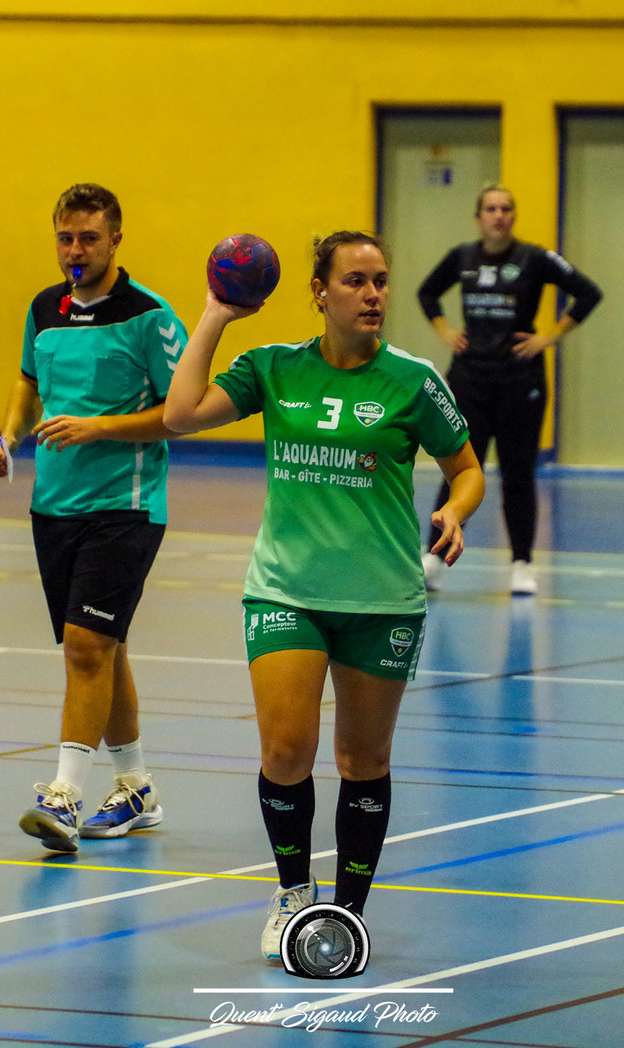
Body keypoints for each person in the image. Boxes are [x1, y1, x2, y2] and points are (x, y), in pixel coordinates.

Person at [165, 231, 484, 965]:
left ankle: (347, 912)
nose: (373, 294)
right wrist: (216, 313)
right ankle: (290, 893)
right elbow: (181, 414)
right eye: (355, 281)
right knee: (287, 749)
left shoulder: (412, 380)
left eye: (380, 281)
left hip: (382, 600)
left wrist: (456, 511)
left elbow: (467, 469)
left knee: (362, 757)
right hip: (286, 590)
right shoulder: (273, 369)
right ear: (320, 291)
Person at [0, 183, 187, 853]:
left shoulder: (150, 317)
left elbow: (182, 412)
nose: (75, 252)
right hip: (54, 506)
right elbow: (27, 379)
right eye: (65, 239)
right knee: (106, 648)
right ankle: (135, 788)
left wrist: (100, 425)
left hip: (124, 505)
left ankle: (64, 795)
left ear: (116, 240)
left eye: (89, 239)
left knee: (85, 646)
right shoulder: (44, 307)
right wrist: (9, 434)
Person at [416, 184, 603, 596]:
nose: (498, 215)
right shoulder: (461, 258)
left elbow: (588, 293)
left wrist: (550, 337)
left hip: (520, 380)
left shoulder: (534, 258)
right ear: (478, 216)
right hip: (470, 380)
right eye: (490, 208)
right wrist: (446, 331)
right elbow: (426, 292)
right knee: (461, 469)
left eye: (505, 208)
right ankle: (433, 559)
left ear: (514, 216)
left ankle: (521, 563)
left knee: (519, 475)